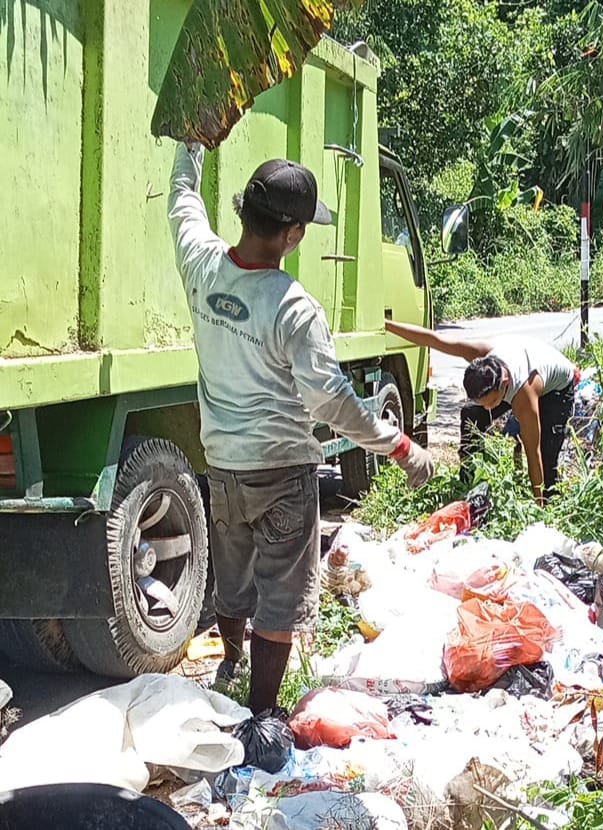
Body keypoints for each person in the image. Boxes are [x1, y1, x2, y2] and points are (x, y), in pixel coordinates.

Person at [168, 143, 434, 714]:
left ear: (244, 214)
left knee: (234, 578)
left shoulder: (200, 263)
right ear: (291, 235)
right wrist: (399, 444)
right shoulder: (294, 308)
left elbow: (182, 203)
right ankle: (261, 717)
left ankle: (232, 667)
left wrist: (190, 142)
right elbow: (332, 402)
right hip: (282, 471)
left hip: (222, 466)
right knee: (281, 599)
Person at [385, 320, 577, 504]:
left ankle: (548, 500)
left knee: (546, 452)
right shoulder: (481, 355)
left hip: (556, 389)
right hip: (518, 360)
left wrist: (537, 507)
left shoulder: (524, 395)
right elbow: (434, 340)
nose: (488, 408)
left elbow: (532, 453)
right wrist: (387, 325)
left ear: (504, 385)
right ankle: (469, 480)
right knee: (471, 414)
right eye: (483, 403)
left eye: (491, 402)